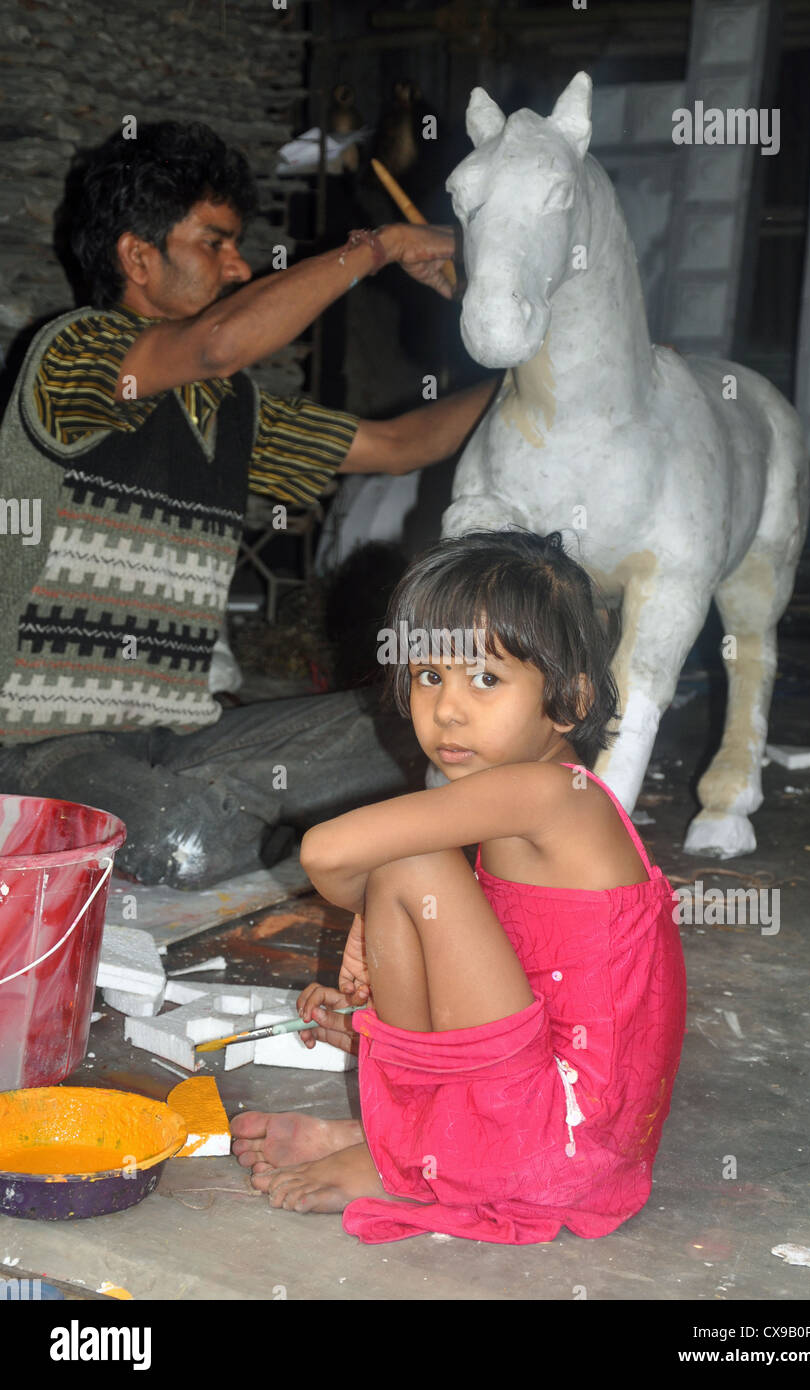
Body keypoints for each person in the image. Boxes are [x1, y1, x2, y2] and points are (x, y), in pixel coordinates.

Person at [0, 121, 499, 888]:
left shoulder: (230, 410)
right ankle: (291, 839)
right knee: (185, 837)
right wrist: (381, 248)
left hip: (176, 738)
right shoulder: (70, 355)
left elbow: (401, 444)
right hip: (37, 750)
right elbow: (216, 343)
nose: (238, 266)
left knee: (428, 731)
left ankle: (278, 836)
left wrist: (532, 368)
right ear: (137, 256)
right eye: (215, 243)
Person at [231, 529, 687, 1245]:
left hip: (556, 1147)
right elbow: (510, 974)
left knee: (408, 863)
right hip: (572, 1134)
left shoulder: (545, 794)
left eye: (484, 679)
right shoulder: (538, 791)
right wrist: (376, 974)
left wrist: (376, 910)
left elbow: (325, 852)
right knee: (409, 869)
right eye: (427, 676)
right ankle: (411, 1143)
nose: (446, 709)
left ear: (567, 701)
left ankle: (409, 1161)